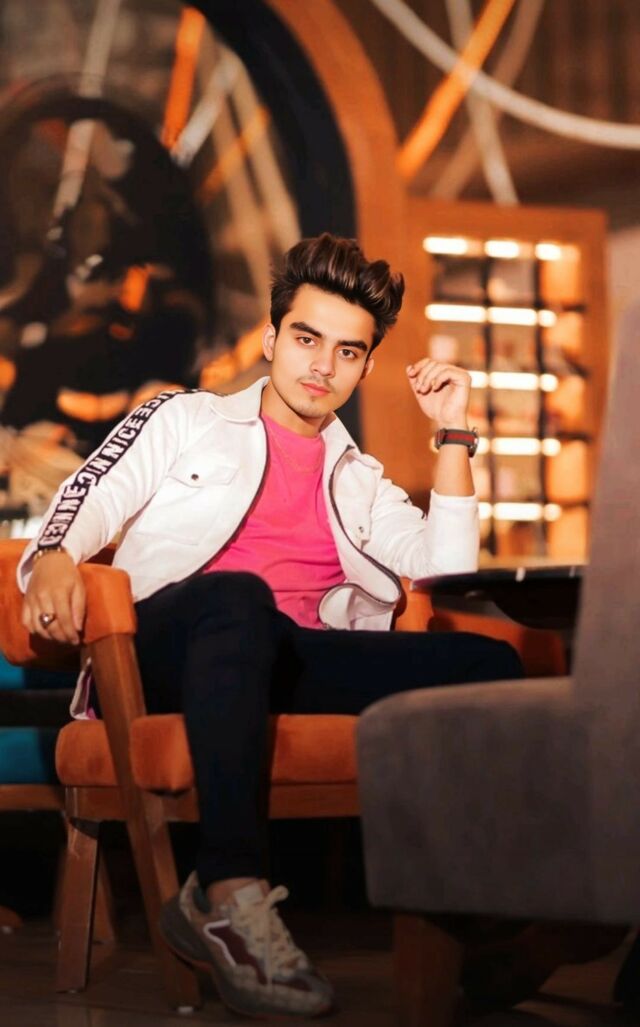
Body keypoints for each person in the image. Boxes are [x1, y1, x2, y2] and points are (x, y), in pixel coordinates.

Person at [19, 234, 522, 1018]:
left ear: (364, 368)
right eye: (306, 339)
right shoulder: (183, 418)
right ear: (270, 338)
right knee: (237, 598)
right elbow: (90, 494)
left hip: (287, 656)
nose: (322, 366)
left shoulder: (360, 479)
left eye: (347, 351)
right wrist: (53, 555)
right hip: (174, 644)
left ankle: (497, 915)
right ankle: (230, 892)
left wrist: (454, 433)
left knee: (489, 666)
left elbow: (448, 570)